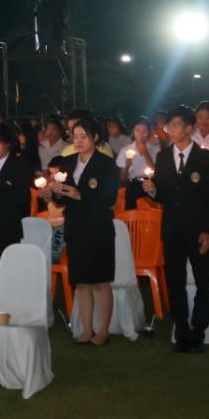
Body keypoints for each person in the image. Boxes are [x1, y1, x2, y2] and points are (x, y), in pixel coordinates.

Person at [143, 105, 209, 353]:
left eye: (176, 125)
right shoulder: (163, 157)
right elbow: (164, 195)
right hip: (173, 228)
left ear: (189, 128)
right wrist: (153, 191)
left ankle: (198, 331)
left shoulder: (205, 158)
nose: (171, 130)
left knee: (202, 282)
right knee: (175, 281)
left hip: (198, 229)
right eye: (169, 126)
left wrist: (208, 231)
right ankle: (182, 330)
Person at [49, 115, 120, 345]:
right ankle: (87, 329)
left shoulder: (106, 164)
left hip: (98, 227)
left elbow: (109, 198)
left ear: (95, 137)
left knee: (100, 281)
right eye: (75, 136)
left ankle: (103, 330)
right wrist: (55, 192)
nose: (78, 141)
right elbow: (61, 198)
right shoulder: (68, 162)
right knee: (81, 282)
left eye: (83, 137)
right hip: (76, 227)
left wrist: (81, 195)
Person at [0, 122, 33, 278]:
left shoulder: (20, 163)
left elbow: (22, 198)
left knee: (6, 272)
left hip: (8, 225)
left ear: (7, 144)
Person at [120, 119, 159, 209]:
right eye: (137, 130)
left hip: (150, 182)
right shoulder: (126, 150)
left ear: (149, 133)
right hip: (132, 185)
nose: (141, 134)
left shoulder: (155, 149)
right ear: (133, 132)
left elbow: (157, 173)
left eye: (144, 131)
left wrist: (145, 152)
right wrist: (127, 166)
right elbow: (123, 179)